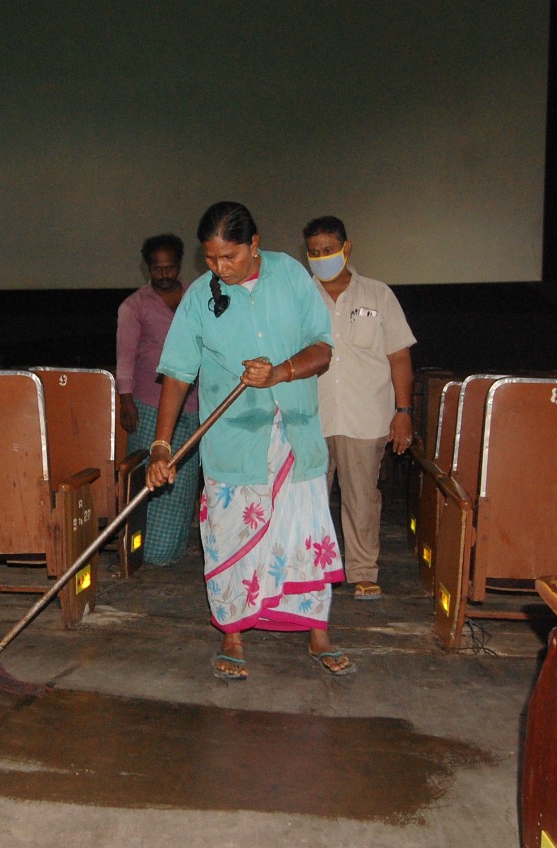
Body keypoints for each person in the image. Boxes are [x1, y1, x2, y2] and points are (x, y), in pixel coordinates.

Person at [147, 202, 353, 678]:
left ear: (254, 244)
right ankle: (233, 637)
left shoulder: (292, 277)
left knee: (303, 533)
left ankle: (317, 633)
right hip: (233, 444)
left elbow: (322, 349)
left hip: (295, 435)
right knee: (229, 534)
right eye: (212, 259)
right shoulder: (201, 295)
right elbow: (177, 372)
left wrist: (280, 372)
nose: (220, 268)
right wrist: (162, 446)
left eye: (230, 257)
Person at [304, 216, 416, 601]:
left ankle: (363, 571)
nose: (321, 258)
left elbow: (400, 356)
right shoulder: (301, 296)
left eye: (328, 250)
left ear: (346, 248)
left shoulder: (377, 294)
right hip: (312, 416)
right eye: (314, 252)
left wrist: (403, 411)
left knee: (361, 497)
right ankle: (313, 568)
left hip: (365, 416)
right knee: (310, 496)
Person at [116, 234, 201, 566]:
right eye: (157, 268)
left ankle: (172, 549)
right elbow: (124, 357)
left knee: (182, 485)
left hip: (193, 406)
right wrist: (126, 401)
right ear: (147, 267)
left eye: (170, 267)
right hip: (150, 407)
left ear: (179, 265)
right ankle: (143, 549)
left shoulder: (198, 296)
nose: (165, 274)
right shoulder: (133, 306)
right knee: (150, 482)